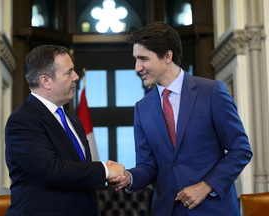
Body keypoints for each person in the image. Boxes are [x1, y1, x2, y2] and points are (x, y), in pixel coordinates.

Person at [108, 22, 252, 216]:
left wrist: (206, 186)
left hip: (213, 209)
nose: (137, 68)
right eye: (135, 59)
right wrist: (129, 177)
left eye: (143, 59)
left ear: (167, 56)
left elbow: (240, 150)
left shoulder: (211, 92)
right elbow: (148, 166)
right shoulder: (142, 108)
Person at [5, 45, 126, 216]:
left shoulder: (73, 119)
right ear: (46, 81)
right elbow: (51, 170)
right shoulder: (22, 120)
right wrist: (104, 171)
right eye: (68, 72)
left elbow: (78, 170)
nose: (76, 77)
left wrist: (107, 175)